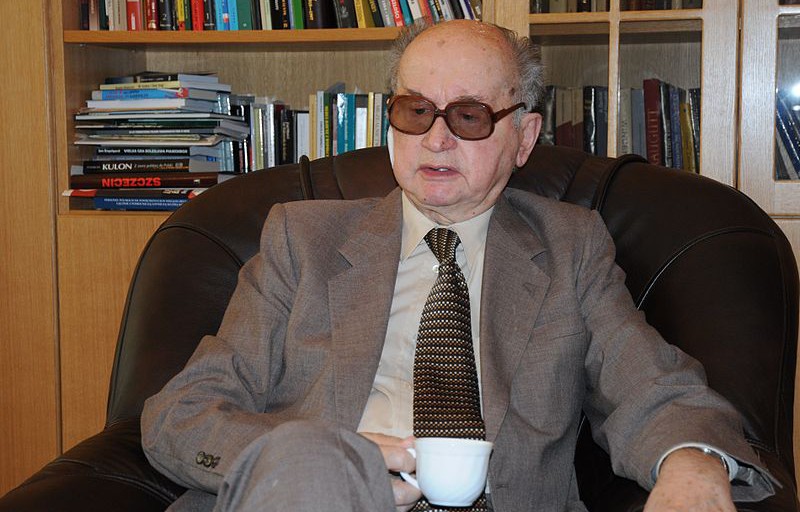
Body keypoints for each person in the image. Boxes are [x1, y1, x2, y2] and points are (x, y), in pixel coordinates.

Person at [141, 19, 775, 512]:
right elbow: (182, 415)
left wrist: (693, 465)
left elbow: (650, 388)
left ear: (524, 137)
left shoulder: (570, 247)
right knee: (313, 460)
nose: (436, 139)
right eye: (416, 111)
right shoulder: (302, 240)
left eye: (468, 117)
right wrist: (318, 460)